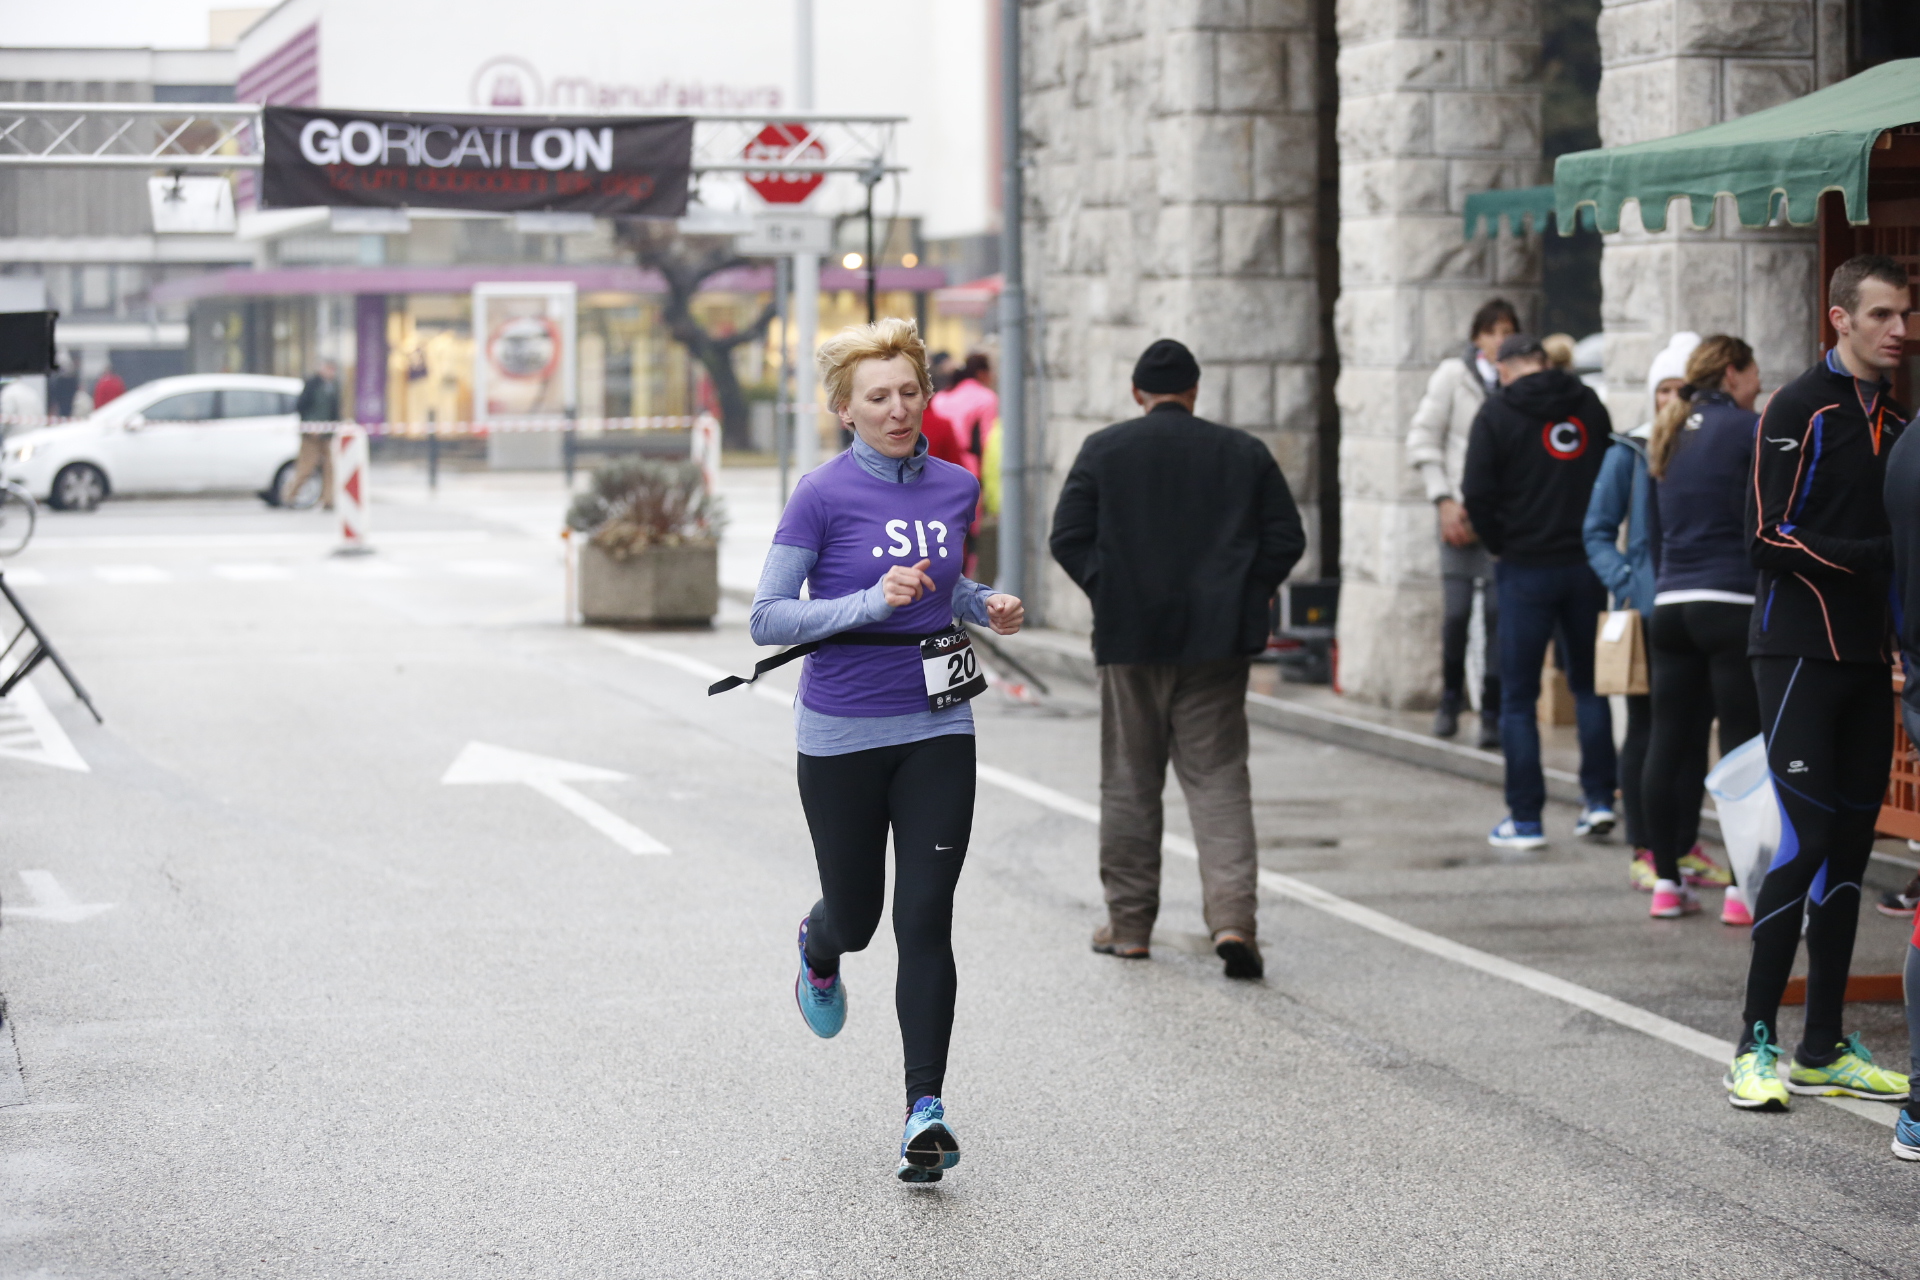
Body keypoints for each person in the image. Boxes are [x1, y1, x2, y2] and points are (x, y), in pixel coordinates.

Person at [742, 317, 1024, 1183]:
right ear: (846, 410)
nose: (898, 409)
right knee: (858, 918)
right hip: (841, 732)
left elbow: (945, 585)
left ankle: (923, 1112)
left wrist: (983, 603)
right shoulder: (820, 495)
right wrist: (866, 602)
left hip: (938, 725)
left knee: (925, 916)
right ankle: (818, 946)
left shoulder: (955, 486)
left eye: (909, 392)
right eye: (878, 397)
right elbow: (767, 618)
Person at [1050, 338, 1306, 978]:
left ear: (1137, 393)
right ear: (1194, 390)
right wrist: (1245, 590)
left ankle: (1130, 927)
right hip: (1217, 642)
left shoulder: (1105, 450)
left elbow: (1068, 536)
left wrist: (1109, 586)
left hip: (1129, 639)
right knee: (1219, 781)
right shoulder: (1242, 452)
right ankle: (1233, 921)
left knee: (1130, 780)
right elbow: (1286, 537)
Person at [1723, 254, 1912, 1112]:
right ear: (1840, 318)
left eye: (1904, 315)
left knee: (1850, 852)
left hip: (1869, 661)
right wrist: (1879, 558)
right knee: (1800, 847)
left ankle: (1824, 1045)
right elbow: (1767, 537)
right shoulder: (1797, 407)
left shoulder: (1897, 421)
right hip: (1797, 654)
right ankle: (1753, 1044)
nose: (1899, 330)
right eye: (1880, 315)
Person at [1462, 333, 1617, 850]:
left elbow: (1477, 492)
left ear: (1506, 368)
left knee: (1518, 698)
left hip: (1525, 566)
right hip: (1584, 564)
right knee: (1589, 686)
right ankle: (1599, 801)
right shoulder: (1587, 404)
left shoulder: (1496, 413)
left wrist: (1500, 543)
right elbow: (1610, 474)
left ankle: (1526, 819)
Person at [1585, 332, 1720, 892]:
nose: (1671, 399)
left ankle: (1683, 846)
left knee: (1694, 732)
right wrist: (1627, 583)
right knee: (1647, 731)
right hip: (1646, 616)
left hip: (1698, 612)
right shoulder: (1631, 451)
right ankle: (1645, 846)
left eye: (1680, 388)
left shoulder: (1709, 448)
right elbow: (1596, 531)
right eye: (1663, 389)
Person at [1636, 336, 1759, 923]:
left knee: (1666, 740)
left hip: (1671, 604)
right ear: (1733, 372)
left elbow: (1655, 531)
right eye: (1754, 373)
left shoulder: (1668, 431)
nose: (1758, 384)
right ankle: (1740, 890)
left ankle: (1665, 881)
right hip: (1731, 599)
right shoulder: (1749, 429)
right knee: (1741, 746)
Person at [1407, 298, 1515, 747]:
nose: (1500, 340)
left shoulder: (1516, 381)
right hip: (1458, 514)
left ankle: (1491, 707)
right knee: (1456, 614)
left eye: (1507, 331)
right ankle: (1450, 697)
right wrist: (1443, 500)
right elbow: (1423, 438)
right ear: (1477, 337)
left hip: (1500, 520)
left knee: (1496, 615)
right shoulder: (1453, 376)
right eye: (1492, 331)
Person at [929, 350, 996, 478]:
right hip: (970, 469)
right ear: (982, 373)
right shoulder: (986, 398)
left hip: (936, 465)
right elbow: (987, 441)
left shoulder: (941, 397)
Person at [287, 360, 340, 510]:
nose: (331, 373)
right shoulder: (312, 384)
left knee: (329, 467)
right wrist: (310, 425)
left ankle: (328, 499)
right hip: (311, 435)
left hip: (326, 433)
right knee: (306, 466)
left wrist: (335, 426)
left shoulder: (333, 386)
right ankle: (290, 495)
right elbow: (301, 406)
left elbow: (335, 410)